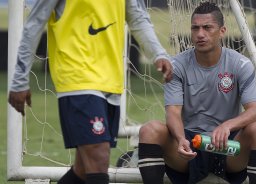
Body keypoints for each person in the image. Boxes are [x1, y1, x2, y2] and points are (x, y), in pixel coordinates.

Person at [8, 0, 172, 184]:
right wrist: (19, 80)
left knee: (83, 171)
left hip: (111, 82)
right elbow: (34, 25)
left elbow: (138, 17)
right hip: (76, 79)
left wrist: (158, 54)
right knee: (99, 157)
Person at [138, 2, 256, 184]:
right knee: (149, 130)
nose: (200, 34)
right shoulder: (176, 66)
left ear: (222, 31)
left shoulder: (240, 64)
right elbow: (173, 113)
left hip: (228, 146)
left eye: (207, 27)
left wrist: (227, 126)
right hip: (189, 145)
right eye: (195, 28)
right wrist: (179, 139)